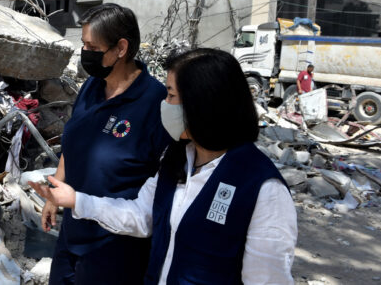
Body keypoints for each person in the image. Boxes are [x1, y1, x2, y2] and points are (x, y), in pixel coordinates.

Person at [31, 48, 297, 285]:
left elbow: (266, 277)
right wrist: (77, 200)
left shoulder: (261, 187)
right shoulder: (176, 159)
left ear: (203, 102)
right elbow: (142, 216)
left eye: (170, 95)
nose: (163, 104)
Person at [43, 4, 172, 285]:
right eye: (83, 45)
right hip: (73, 231)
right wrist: (54, 194)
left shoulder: (155, 103)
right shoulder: (91, 86)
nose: (85, 54)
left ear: (121, 48)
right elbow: (72, 144)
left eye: (92, 46)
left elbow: (163, 185)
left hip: (115, 245)